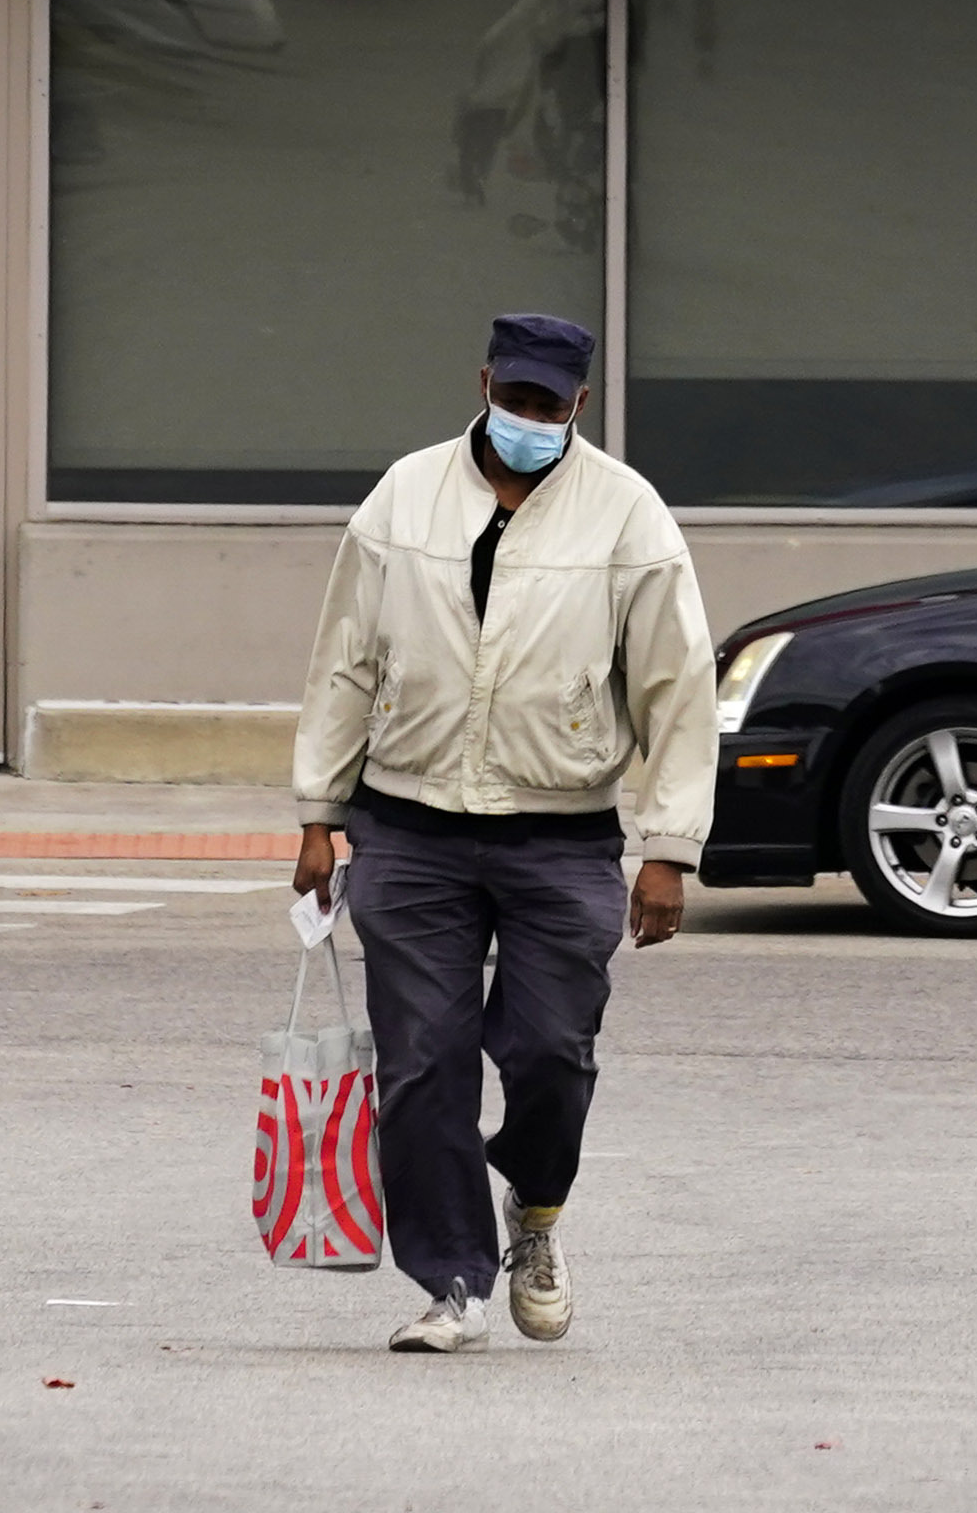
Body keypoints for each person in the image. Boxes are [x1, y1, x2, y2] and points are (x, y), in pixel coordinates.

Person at [293, 311, 714, 1356]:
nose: (527, 418)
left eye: (550, 404)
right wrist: (317, 811)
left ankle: (537, 1208)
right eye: (513, 397)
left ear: (580, 404)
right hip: (409, 825)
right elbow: (344, 658)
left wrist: (669, 847)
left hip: (561, 833)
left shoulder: (628, 516)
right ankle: (452, 1283)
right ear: (483, 381)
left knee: (549, 1052)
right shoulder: (404, 494)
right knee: (423, 1064)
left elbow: (675, 685)